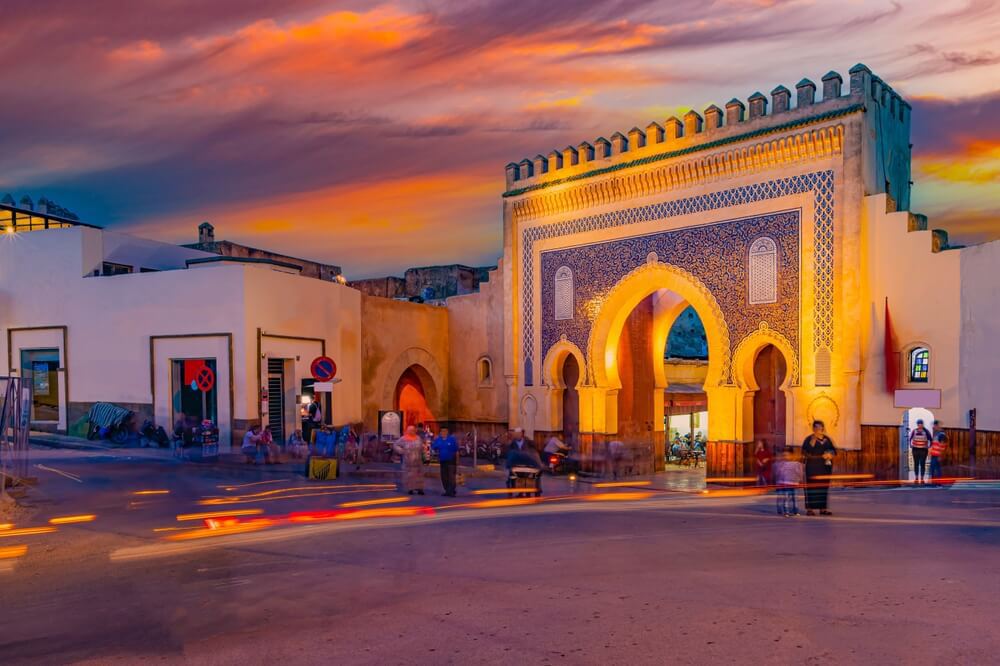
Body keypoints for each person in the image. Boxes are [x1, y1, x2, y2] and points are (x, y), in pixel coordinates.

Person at [801, 420, 836, 515]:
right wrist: (813, 439)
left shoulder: (827, 439)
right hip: (812, 467)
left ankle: (822, 508)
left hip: (825, 467)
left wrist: (830, 454)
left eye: (820, 427)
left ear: (823, 428)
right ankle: (810, 509)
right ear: (813, 428)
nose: (818, 429)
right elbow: (805, 451)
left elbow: (833, 450)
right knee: (811, 488)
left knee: (823, 487)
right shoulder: (809, 439)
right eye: (816, 427)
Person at [506, 428, 542, 495]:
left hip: (528, 462)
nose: (516, 435)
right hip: (517, 463)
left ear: (522, 434)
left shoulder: (528, 441)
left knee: (535, 476)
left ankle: (536, 490)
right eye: (515, 434)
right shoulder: (513, 443)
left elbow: (535, 449)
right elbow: (510, 452)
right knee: (513, 476)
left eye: (518, 434)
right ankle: (519, 491)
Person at [394, 425, 425, 495]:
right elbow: (396, 445)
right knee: (409, 475)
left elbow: (422, 446)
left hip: (418, 461)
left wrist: (423, 451)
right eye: (410, 430)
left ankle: (420, 489)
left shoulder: (418, 438)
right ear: (407, 431)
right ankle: (410, 489)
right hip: (408, 461)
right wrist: (402, 451)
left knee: (419, 475)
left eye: (413, 430)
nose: (411, 432)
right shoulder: (403, 438)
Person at [772, 447, 803, 516]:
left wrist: (800, 480)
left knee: (794, 498)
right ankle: (786, 511)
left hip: (793, 483)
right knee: (786, 498)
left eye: (787, 455)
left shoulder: (796, 464)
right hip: (785, 483)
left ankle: (795, 511)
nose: (786, 457)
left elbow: (799, 473)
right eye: (784, 455)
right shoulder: (781, 464)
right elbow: (778, 473)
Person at [432, 426, 459, 497]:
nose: (443, 433)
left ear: (447, 432)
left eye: (445, 431)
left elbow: (456, 450)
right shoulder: (438, 439)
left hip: (451, 461)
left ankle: (451, 491)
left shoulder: (452, 439)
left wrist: (458, 461)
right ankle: (448, 490)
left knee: (451, 477)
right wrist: (434, 441)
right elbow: (434, 447)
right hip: (442, 461)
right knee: (444, 477)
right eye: (442, 431)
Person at [910, 418, 932, 484]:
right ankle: (916, 478)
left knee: (922, 464)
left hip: (923, 450)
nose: (920, 425)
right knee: (916, 464)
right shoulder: (914, 431)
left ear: (922, 424)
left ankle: (922, 478)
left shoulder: (926, 431)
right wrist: (911, 445)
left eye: (921, 424)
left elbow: (930, 439)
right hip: (915, 449)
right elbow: (910, 438)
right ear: (917, 425)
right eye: (919, 424)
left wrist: (929, 446)